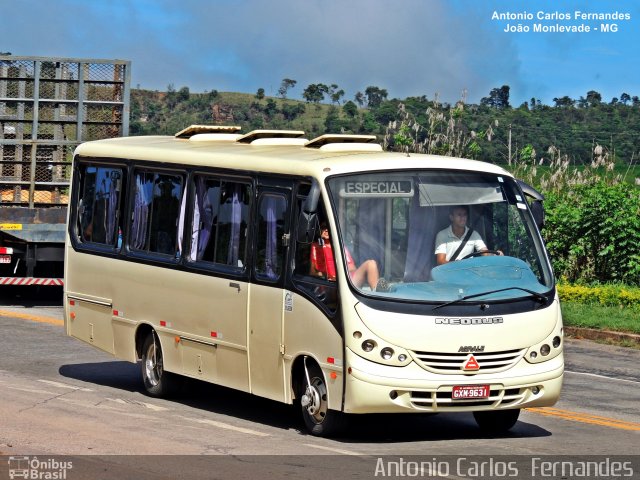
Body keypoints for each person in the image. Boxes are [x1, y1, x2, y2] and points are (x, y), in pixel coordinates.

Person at [310, 222, 389, 291]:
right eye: (323, 227)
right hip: (331, 284)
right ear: (319, 230)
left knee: (371, 263)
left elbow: (352, 268)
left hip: (348, 280)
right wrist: (322, 275)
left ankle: (377, 291)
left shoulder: (340, 247)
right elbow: (313, 272)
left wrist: (344, 274)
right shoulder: (316, 247)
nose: (326, 230)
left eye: (329, 227)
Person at [434, 205, 501, 265]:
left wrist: (495, 255)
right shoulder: (442, 235)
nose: (463, 218)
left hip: (469, 273)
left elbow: (485, 253)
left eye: (465, 215)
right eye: (459, 215)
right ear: (451, 217)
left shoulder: (474, 234)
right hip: (449, 273)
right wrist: (458, 264)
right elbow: (441, 262)